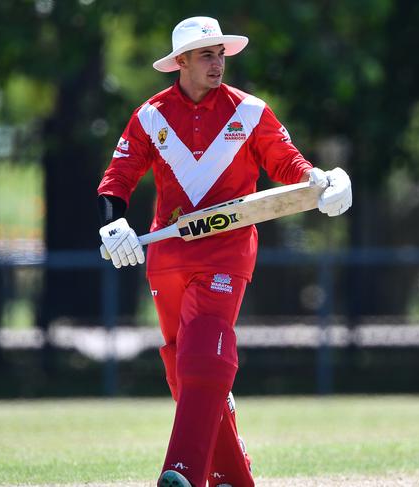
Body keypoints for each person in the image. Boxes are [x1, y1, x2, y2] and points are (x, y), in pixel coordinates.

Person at [96, 16, 352, 487]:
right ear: (181, 63)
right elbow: (119, 177)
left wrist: (320, 181)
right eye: (207, 55)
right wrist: (113, 222)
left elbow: (286, 162)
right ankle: (233, 476)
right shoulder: (151, 115)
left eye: (221, 54)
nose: (218, 64)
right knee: (182, 369)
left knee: (203, 359)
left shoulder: (250, 112)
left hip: (227, 253)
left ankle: (182, 473)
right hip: (168, 254)